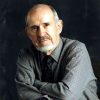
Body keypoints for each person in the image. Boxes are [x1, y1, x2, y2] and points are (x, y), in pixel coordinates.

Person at [15, 3, 99, 100]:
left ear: (59, 27)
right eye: (34, 28)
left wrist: (36, 83)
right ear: (28, 33)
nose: (41, 34)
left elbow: (67, 94)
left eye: (46, 25)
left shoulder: (77, 50)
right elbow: (24, 92)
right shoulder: (25, 55)